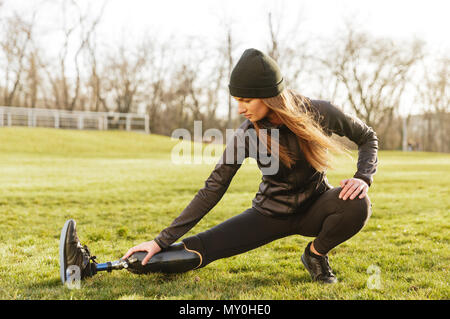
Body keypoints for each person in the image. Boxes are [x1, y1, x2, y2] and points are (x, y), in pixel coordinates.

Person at [63, 48, 378, 284]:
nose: (240, 108)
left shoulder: (318, 111)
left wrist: (363, 176)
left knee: (357, 203)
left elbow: (367, 137)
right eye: (237, 99)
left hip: (316, 208)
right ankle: (92, 267)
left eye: (247, 100)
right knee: (198, 252)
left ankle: (316, 255)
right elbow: (213, 188)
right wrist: (160, 241)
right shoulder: (246, 135)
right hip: (269, 214)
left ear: (269, 96)